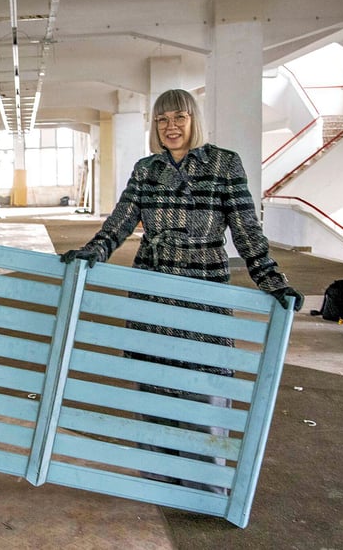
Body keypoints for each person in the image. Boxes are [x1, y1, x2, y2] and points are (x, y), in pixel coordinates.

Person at [60, 89, 303, 493]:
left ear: (194, 119)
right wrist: (91, 253)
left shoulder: (224, 164)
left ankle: (206, 484)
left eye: (179, 118)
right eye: (161, 120)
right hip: (151, 287)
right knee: (153, 378)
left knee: (203, 381)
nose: (170, 127)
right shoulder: (145, 169)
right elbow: (119, 223)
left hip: (203, 289)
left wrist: (273, 281)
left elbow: (245, 231)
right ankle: (159, 480)